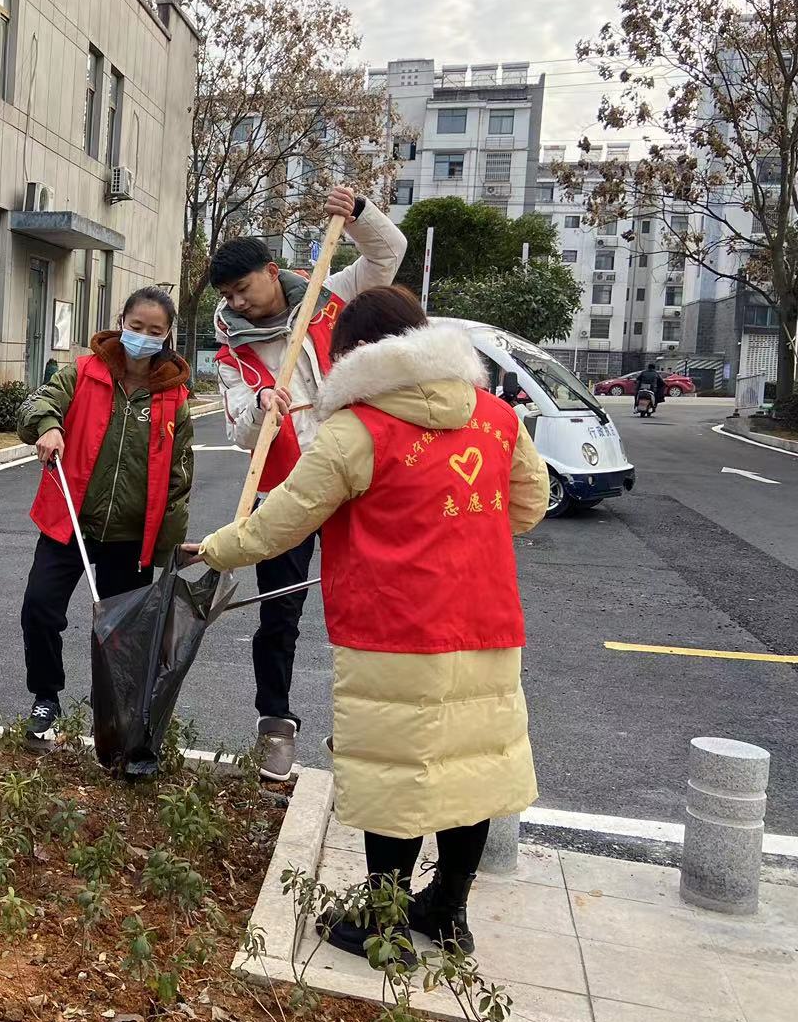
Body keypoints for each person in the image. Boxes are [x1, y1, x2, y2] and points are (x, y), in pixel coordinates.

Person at [184, 286, 548, 959]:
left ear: (353, 354)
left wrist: (215, 549)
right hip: (488, 623)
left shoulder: (358, 430)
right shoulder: (497, 417)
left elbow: (282, 519)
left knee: (396, 776)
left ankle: (382, 925)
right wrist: (459, 537)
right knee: (469, 771)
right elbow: (528, 505)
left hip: (395, 628)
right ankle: (446, 912)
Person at [211, 184, 407, 780]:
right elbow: (241, 435)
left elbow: (387, 255)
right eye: (227, 296)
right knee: (280, 614)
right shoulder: (232, 354)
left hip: (356, 482)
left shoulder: (329, 293)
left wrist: (359, 215)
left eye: (243, 288)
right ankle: (276, 724)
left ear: (272, 273)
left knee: (372, 605)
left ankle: (368, 731)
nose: (238, 303)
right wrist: (257, 408)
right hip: (285, 493)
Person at [15, 286, 195, 739]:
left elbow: (179, 479)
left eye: (155, 331)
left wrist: (167, 549)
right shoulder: (82, 373)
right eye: (136, 328)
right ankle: (45, 698)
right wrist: (50, 427)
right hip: (71, 523)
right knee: (40, 608)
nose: (143, 338)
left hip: (131, 538)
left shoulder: (174, 399)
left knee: (121, 632)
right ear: (121, 321)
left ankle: (109, 712)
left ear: (168, 334)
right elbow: (35, 407)